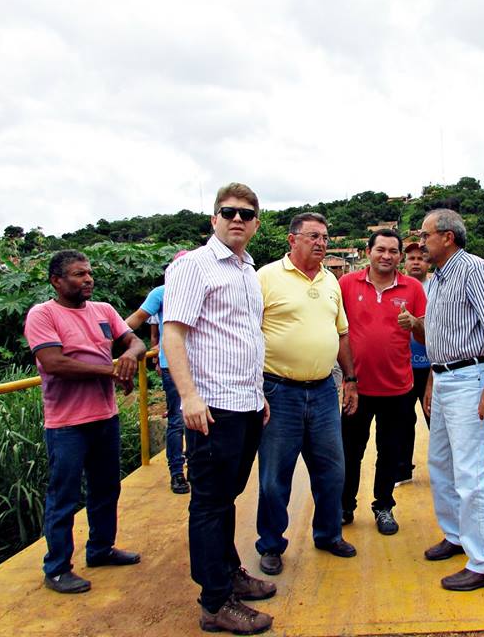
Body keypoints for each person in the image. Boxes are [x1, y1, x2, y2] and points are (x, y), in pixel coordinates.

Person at [162, 183, 276, 634]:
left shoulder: (247, 269)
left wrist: (258, 393)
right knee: (209, 503)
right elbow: (173, 335)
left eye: (246, 214)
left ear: (255, 224)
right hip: (212, 407)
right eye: (228, 212)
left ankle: (228, 573)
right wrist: (189, 397)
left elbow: (243, 338)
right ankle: (215, 603)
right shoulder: (194, 266)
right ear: (214, 219)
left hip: (245, 403)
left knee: (226, 497)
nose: (237, 219)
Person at [24, 250, 146, 595]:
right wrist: (112, 369)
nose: (88, 279)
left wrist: (128, 357)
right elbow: (54, 363)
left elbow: (134, 341)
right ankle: (57, 568)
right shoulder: (43, 315)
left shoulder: (104, 311)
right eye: (78, 274)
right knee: (63, 496)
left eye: (89, 273)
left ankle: (101, 548)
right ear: (57, 281)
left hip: (105, 416)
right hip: (67, 424)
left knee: (107, 487)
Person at [255, 212, 359, 577]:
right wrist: (256, 390)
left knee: (332, 471)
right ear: (292, 239)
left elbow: (341, 333)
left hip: (323, 391)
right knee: (274, 476)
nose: (321, 243)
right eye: (313, 236)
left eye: (326, 238)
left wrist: (350, 379)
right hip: (278, 391)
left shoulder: (332, 281)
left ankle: (328, 534)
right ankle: (270, 545)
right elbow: (249, 335)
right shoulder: (266, 277)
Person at [419, 207, 484, 592]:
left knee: (471, 473)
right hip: (442, 379)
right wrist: (429, 383)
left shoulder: (473, 269)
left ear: (448, 237)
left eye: (425, 235)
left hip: (470, 377)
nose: (421, 242)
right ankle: (457, 536)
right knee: (441, 464)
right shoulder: (436, 279)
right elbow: (437, 338)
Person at [339, 229, 427, 535]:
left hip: (398, 389)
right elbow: (339, 333)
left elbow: (426, 336)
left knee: (389, 452)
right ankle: (344, 505)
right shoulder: (347, 284)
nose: (386, 256)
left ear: (400, 256)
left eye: (393, 251)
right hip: (357, 388)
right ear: (368, 252)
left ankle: (383, 506)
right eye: (381, 250)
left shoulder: (413, 288)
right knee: (350, 451)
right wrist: (347, 378)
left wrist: (415, 323)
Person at [125, 250, 190, 495]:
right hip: (172, 364)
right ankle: (177, 472)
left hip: (203, 366)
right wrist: (108, 341)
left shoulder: (203, 290)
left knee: (203, 418)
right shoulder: (162, 293)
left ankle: (196, 466)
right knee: (177, 419)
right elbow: (135, 319)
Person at [395, 240, 431, 486]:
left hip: (432, 367)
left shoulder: (438, 288)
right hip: (404, 367)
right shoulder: (397, 288)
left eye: (421, 258)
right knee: (403, 421)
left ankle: (446, 467)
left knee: (436, 418)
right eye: (412, 258)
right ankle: (402, 469)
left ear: (428, 262)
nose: (416, 262)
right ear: (404, 262)